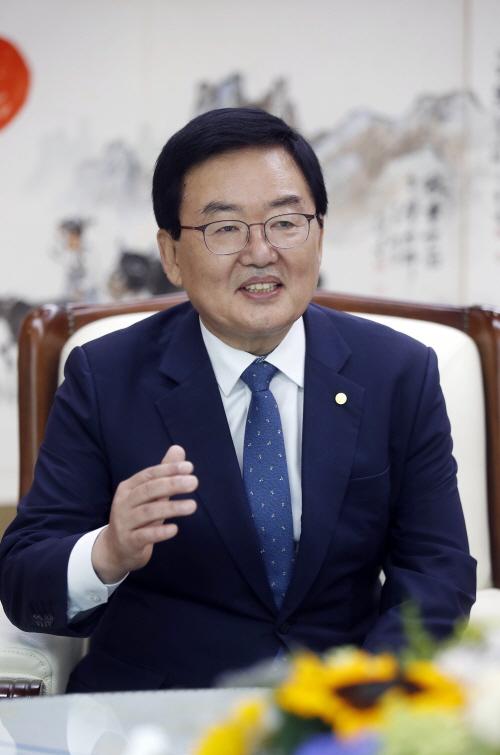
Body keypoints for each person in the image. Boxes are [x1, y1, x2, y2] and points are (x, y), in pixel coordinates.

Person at [0, 108, 476, 693]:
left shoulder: (397, 372)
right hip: (153, 715)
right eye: (224, 228)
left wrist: (369, 693)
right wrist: (108, 551)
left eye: (285, 222)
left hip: (340, 711)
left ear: (319, 234)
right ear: (171, 255)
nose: (261, 251)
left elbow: (436, 571)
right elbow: (24, 577)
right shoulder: (106, 376)